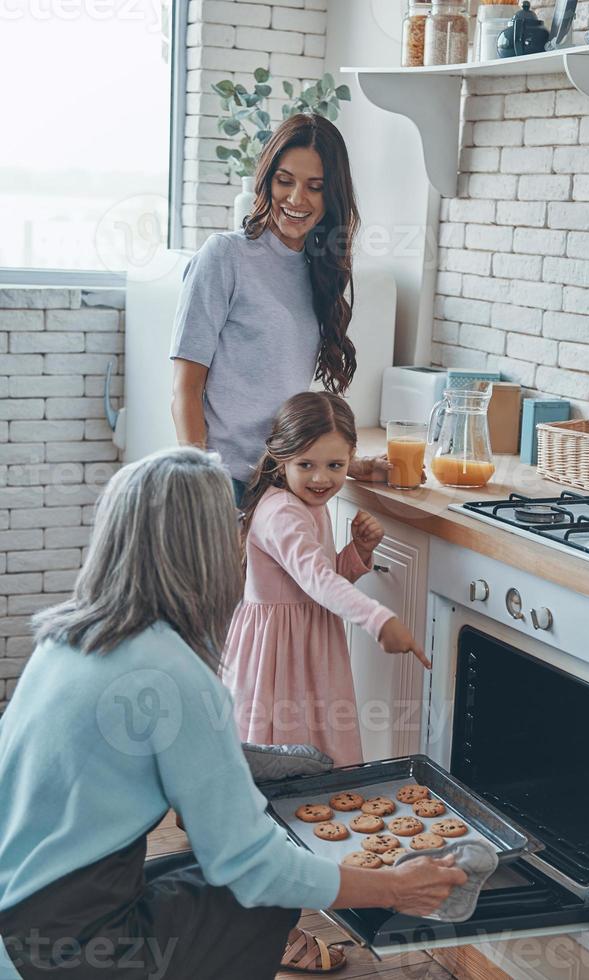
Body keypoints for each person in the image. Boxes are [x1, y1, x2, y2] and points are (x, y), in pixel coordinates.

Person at [0, 448, 465, 980]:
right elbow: (254, 867)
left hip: (17, 920)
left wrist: (259, 759)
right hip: (65, 951)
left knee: (198, 873)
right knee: (261, 899)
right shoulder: (175, 674)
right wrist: (396, 888)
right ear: (206, 550)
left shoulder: (65, 639)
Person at [170, 113, 390, 506]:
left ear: (332, 195)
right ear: (267, 180)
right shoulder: (226, 256)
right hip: (222, 485)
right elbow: (186, 388)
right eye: (284, 181)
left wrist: (347, 464)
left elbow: (285, 401)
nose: (295, 199)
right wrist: (201, 484)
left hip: (281, 487)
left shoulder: (318, 271)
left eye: (315, 187)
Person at [223, 392, 430, 769]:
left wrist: (358, 553)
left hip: (305, 643)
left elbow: (315, 577)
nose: (321, 478)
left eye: (335, 465)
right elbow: (317, 580)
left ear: (352, 457)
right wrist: (378, 620)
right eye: (306, 465)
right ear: (280, 459)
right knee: (284, 752)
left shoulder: (305, 504)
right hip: (280, 654)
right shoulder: (283, 513)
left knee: (310, 741)